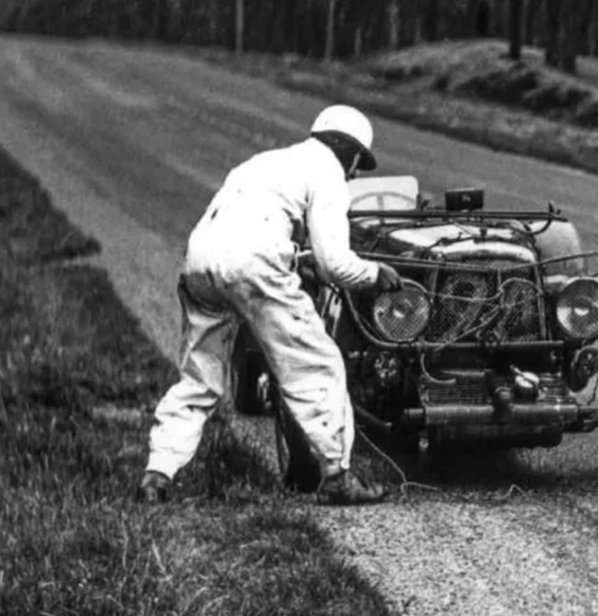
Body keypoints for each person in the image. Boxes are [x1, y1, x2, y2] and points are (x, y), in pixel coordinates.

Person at [137, 104, 403, 506]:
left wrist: (297, 259)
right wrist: (373, 274)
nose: (354, 174)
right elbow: (334, 264)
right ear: (348, 151)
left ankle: (156, 475)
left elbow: (244, 228)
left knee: (198, 377)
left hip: (200, 261)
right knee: (320, 366)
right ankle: (337, 478)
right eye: (357, 164)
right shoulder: (329, 173)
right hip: (253, 267)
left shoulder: (265, 162)